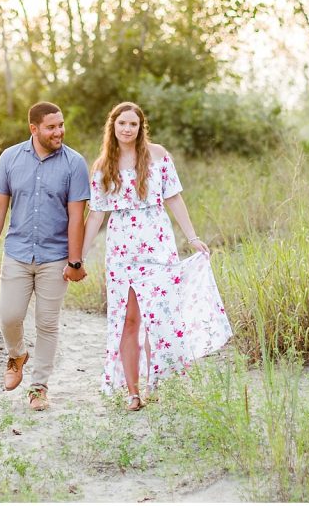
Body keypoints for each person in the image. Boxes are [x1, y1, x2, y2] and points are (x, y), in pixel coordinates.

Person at [81, 102, 232, 410]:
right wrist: (79, 257)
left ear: (140, 127)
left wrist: (192, 237)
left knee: (159, 318)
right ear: (113, 126)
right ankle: (133, 393)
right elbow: (96, 215)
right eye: (121, 123)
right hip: (122, 250)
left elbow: (174, 197)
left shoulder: (158, 156)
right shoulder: (102, 167)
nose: (127, 129)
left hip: (158, 243)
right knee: (129, 319)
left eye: (133, 124)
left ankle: (158, 385)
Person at [0, 102, 90, 411]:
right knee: (9, 317)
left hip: (55, 258)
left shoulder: (74, 163)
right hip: (17, 252)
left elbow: (76, 217)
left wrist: (75, 261)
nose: (59, 131)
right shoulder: (10, 158)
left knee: (47, 323)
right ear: (34, 129)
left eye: (61, 125)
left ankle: (39, 387)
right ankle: (16, 354)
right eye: (51, 127)